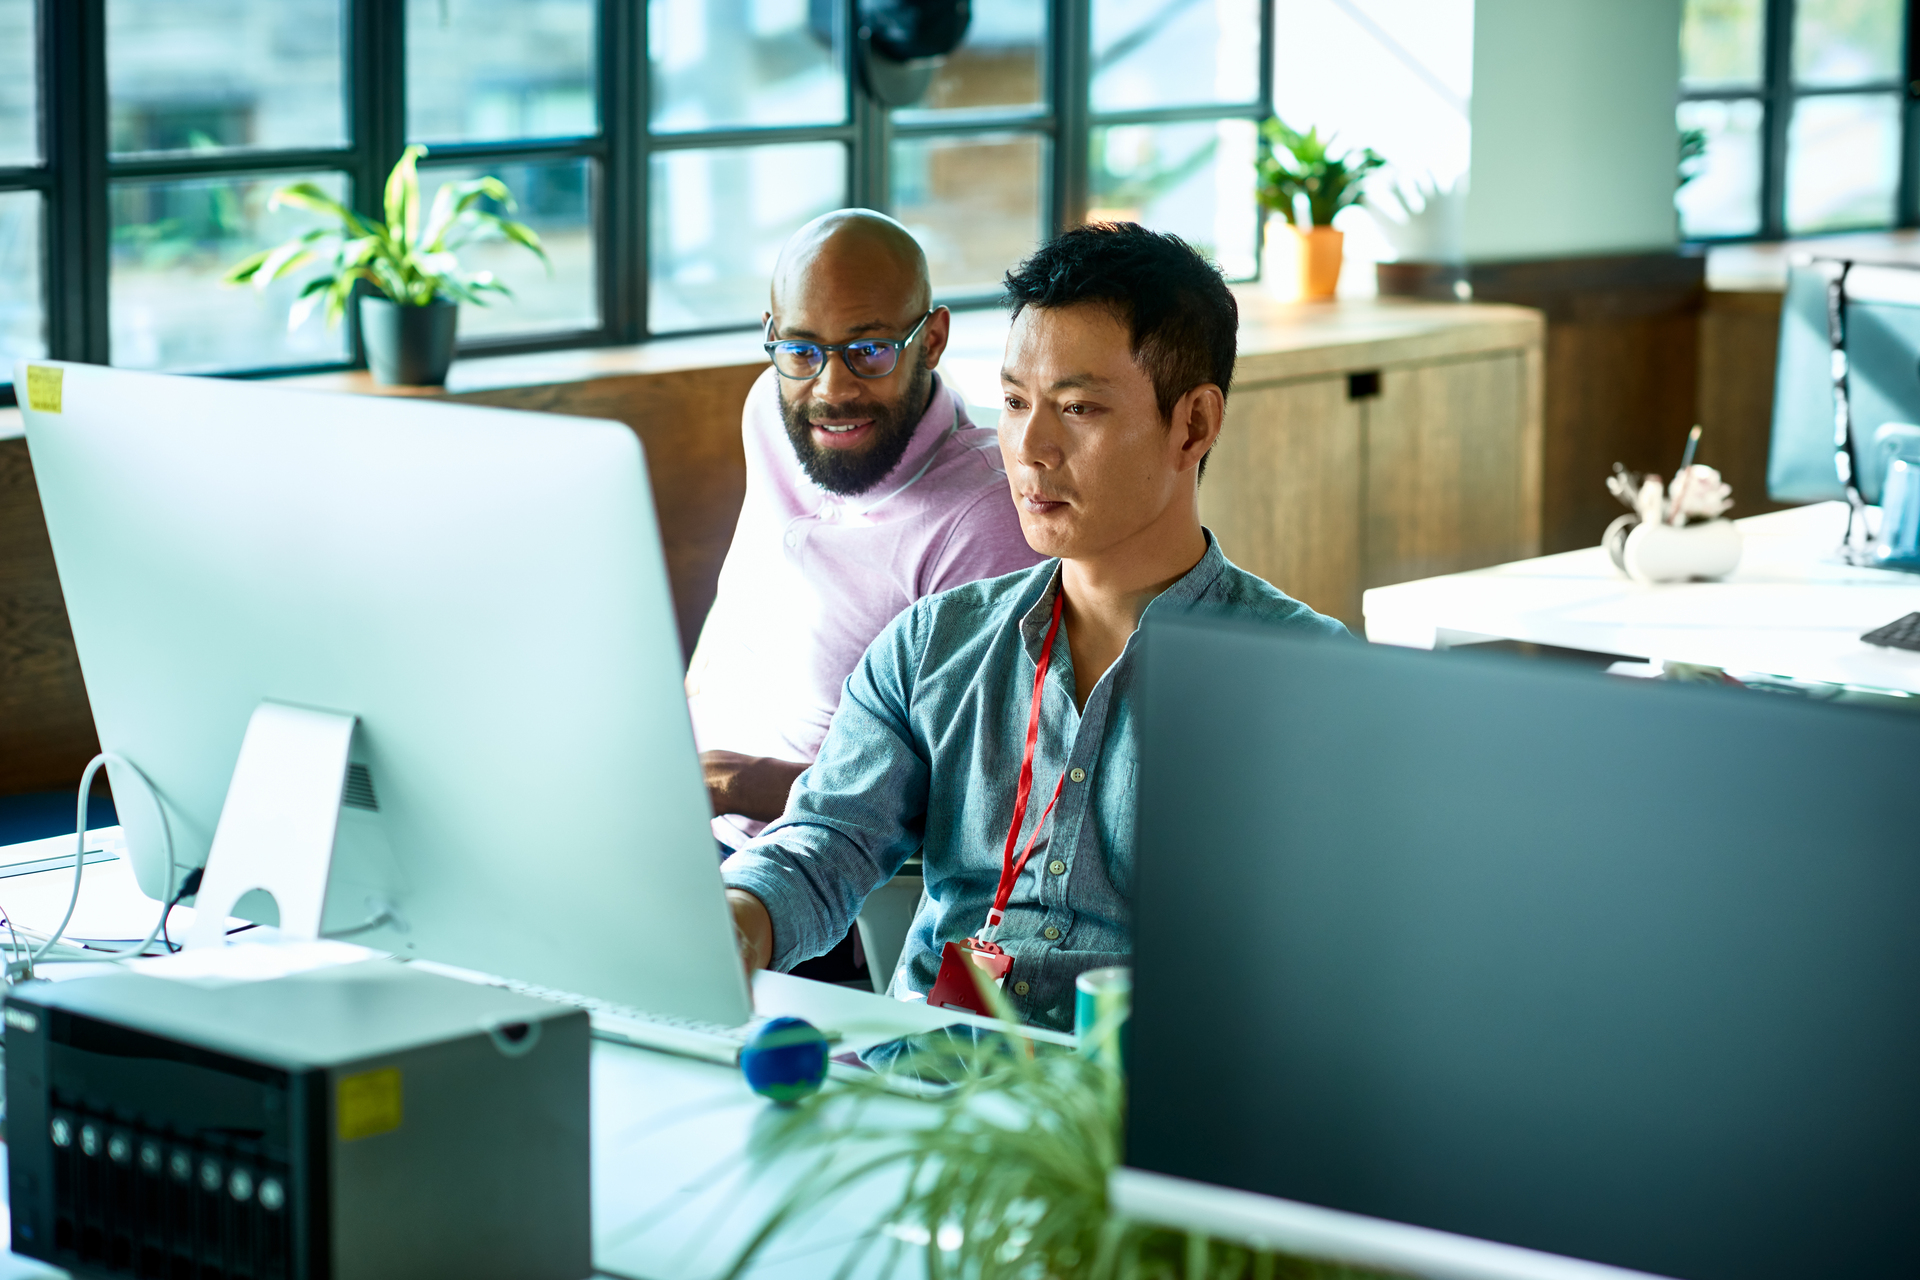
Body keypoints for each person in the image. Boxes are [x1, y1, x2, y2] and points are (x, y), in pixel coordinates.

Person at [720, 222, 1351, 1031]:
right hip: (929, 1085)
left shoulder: (1305, 676)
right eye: (1015, 402)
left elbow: (1320, 964)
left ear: (1192, 426)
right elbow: (827, 842)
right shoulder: (930, 647)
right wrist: (738, 916)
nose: (1031, 447)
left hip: (1140, 1115)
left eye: (1078, 408)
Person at [686, 210, 1040, 850]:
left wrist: (728, 782)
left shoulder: (984, 517)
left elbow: (971, 798)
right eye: (801, 350)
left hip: (816, 875)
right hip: (682, 814)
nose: (831, 389)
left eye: (868, 350)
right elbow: (741, 594)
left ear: (932, 341)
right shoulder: (770, 408)